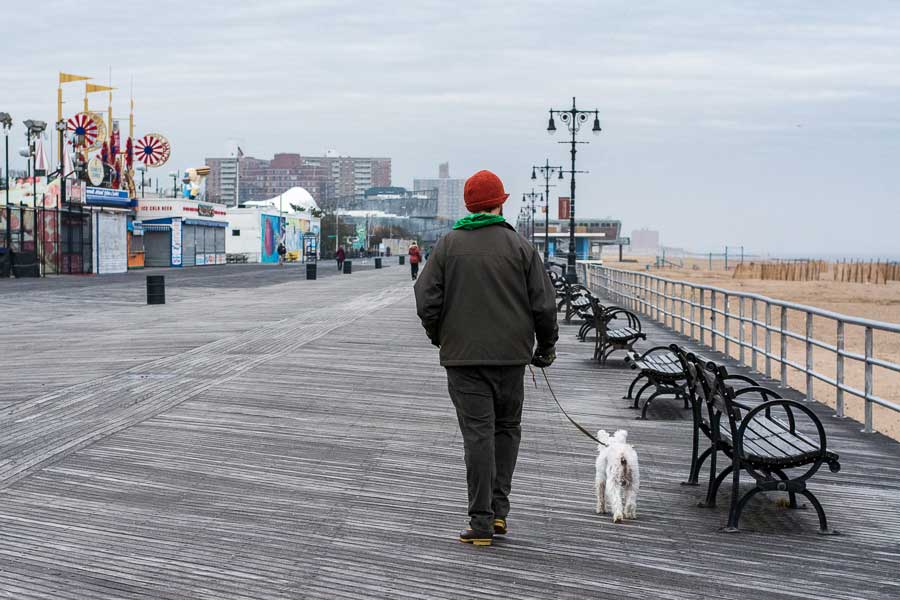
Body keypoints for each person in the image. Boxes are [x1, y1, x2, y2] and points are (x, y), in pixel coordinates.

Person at [414, 169, 558, 547]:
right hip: (511, 359)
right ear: (500, 203)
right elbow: (544, 305)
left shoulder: (447, 246)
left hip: (463, 360)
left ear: (468, 205)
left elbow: (425, 299)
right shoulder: (520, 247)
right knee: (506, 429)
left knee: (477, 434)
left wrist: (440, 335)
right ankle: (498, 514)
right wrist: (546, 347)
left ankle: (480, 522)